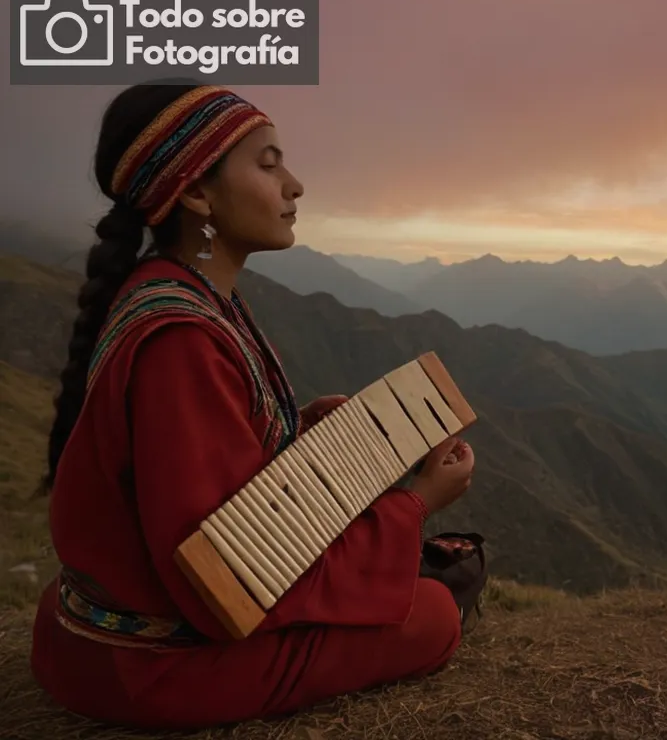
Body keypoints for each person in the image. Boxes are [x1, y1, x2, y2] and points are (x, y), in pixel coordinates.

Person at [30, 80, 484, 731]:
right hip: (153, 664)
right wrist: (418, 504)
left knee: (419, 597)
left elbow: (207, 476)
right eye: (268, 165)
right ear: (195, 193)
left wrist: (304, 431)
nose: (294, 185)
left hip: (98, 636)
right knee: (433, 616)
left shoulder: (189, 297)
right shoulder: (181, 338)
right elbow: (222, 580)